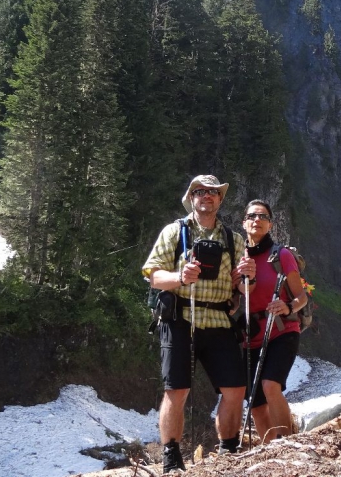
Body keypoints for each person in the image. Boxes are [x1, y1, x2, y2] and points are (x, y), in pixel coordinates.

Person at [141, 175, 256, 473]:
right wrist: (180, 278)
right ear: (191, 198)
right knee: (176, 390)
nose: (207, 196)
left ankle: (228, 450)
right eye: (201, 192)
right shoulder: (174, 232)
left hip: (219, 320)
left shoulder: (234, 239)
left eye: (213, 193)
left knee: (235, 389)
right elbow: (153, 275)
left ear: (219, 200)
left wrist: (248, 276)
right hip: (180, 318)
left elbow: (244, 289)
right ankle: (171, 458)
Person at [240, 199, 308, 443]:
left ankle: (285, 443)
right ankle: (269, 450)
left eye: (262, 217)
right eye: (252, 216)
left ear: (270, 224)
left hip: (282, 329)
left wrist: (287, 306)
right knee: (256, 402)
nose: (257, 220)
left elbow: (302, 296)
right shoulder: (239, 259)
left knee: (270, 385)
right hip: (252, 335)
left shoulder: (282, 256)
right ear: (244, 222)